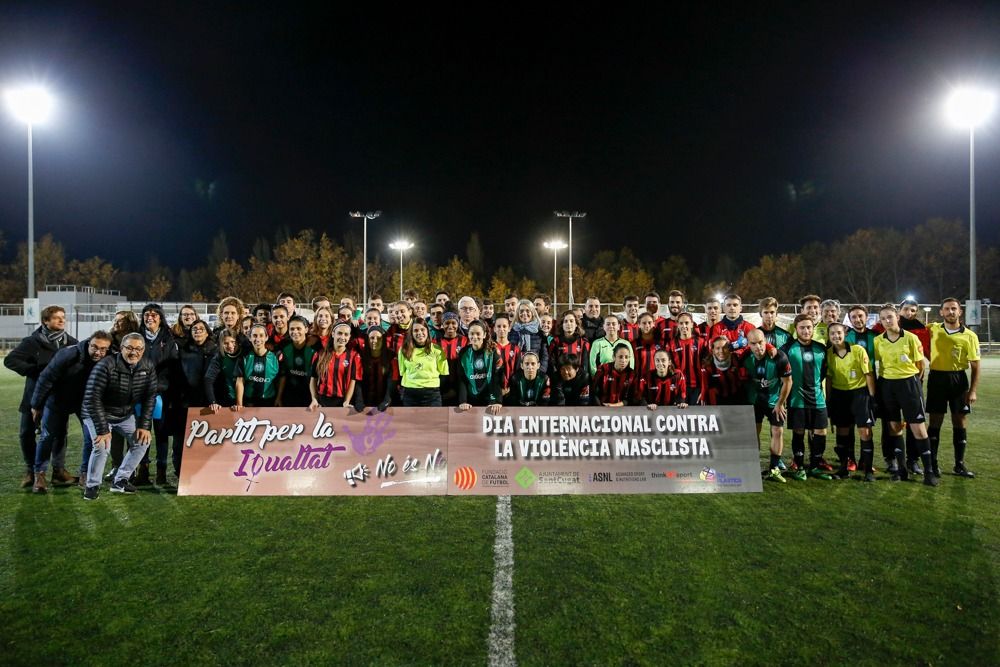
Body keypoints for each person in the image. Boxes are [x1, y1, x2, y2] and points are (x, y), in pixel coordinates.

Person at [5, 305, 78, 489]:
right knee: (26, 433)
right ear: (46, 321)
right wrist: (34, 370)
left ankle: (59, 472)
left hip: (59, 397)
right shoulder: (32, 341)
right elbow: (10, 360)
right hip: (33, 395)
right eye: (56, 318)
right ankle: (31, 472)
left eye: (63, 317)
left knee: (59, 434)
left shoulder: (71, 342)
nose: (61, 320)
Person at [30, 331, 112, 492]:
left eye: (103, 349)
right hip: (58, 399)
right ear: (89, 342)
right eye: (95, 347)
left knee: (91, 438)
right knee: (47, 436)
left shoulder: (108, 359)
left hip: (86, 403)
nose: (98, 352)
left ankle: (84, 474)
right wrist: (36, 405)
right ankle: (39, 475)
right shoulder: (67, 354)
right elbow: (46, 378)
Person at [81, 332, 157, 499]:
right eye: (129, 348)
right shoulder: (105, 365)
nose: (133, 352)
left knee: (143, 442)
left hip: (123, 414)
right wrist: (102, 429)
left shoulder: (148, 366)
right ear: (121, 348)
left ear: (143, 350)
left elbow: (150, 398)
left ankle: (120, 481)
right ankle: (92, 486)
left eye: (138, 349)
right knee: (102, 446)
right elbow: (92, 399)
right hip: (97, 412)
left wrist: (144, 427)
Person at [873, 304, 937, 486]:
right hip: (887, 385)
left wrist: (912, 382)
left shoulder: (911, 338)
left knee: (918, 428)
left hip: (908, 384)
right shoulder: (878, 341)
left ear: (897, 318)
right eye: (883, 318)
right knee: (895, 427)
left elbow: (920, 365)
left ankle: (928, 471)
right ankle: (901, 470)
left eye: (890, 317)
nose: (887, 321)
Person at [926, 298, 980, 478]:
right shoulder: (932, 329)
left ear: (960, 312)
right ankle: (933, 463)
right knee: (935, 421)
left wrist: (972, 390)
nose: (950, 312)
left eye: (954, 309)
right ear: (940, 312)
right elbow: (908, 328)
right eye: (947, 309)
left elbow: (975, 366)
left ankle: (959, 464)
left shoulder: (970, 336)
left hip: (958, 380)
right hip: (937, 378)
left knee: (960, 420)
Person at [780, 315, 831, 481]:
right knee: (799, 432)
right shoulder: (787, 348)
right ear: (796, 329)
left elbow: (823, 372)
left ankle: (815, 466)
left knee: (820, 431)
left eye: (809, 327)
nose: (806, 330)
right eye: (802, 327)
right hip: (796, 399)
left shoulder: (821, 348)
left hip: (818, 397)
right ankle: (800, 466)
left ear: (813, 328)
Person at [824, 322, 876, 481]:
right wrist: (829, 400)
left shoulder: (858, 350)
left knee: (864, 432)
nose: (836, 336)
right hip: (840, 396)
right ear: (829, 336)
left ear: (845, 333)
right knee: (842, 432)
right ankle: (843, 468)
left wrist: (872, 398)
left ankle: (867, 470)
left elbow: (868, 374)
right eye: (832, 333)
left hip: (859, 394)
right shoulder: (829, 353)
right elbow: (830, 379)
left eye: (839, 332)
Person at [136, 303, 178, 486]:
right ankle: (142, 470)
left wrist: (163, 387)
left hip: (161, 394)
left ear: (160, 318)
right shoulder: (137, 338)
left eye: (154, 314)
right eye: (146, 314)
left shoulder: (169, 339)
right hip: (140, 394)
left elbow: (172, 367)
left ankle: (161, 470)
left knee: (161, 433)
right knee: (140, 433)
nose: (150, 317)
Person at [743, 329, 792, 483]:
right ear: (748, 344)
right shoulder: (743, 357)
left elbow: (788, 382)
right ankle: (753, 465)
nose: (758, 346)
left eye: (761, 342)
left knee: (777, 431)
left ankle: (774, 468)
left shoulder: (779, 357)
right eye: (753, 343)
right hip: (754, 400)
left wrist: (780, 403)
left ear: (766, 341)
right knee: (753, 433)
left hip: (774, 402)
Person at [170, 319, 216, 477]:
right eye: (194, 329)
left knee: (206, 439)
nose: (198, 331)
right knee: (181, 439)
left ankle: (204, 472)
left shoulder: (215, 350)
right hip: (185, 402)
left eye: (201, 328)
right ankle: (180, 471)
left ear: (207, 332)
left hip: (207, 402)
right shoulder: (183, 350)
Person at [310, 322, 364, 411]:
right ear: (333, 334)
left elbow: (352, 381)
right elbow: (313, 379)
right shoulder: (320, 354)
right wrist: (314, 399)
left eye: (346, 334)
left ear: (349, 337)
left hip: (341, 402)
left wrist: (347, 401)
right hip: (322, 401)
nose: (342, 337)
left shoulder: (354, 356)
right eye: (339, 333)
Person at [397, 319, 449, 406]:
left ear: (427, 331)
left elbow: (444, 374)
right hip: (410, 394)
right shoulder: (404, 350)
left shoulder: (437, 350)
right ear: (411, 333)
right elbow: (402, 373)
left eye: (422, 329)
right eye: (416, 330)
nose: (419, 333)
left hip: (432, 395)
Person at [456, 321, 504, 415]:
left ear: (484, 334)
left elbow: (497, 377)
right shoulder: (463, 353)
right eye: (471, 333)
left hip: (490, 400)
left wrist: (497, 401)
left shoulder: (493, 351)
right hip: (470, 401)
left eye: (478, 334)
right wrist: (463, 401)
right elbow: (462, 379)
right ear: (468, 334)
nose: (474, 337)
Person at [276, 316, 318, 408]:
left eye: (298, 328)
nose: (295, 332)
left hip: (309, 396)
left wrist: (315, 398)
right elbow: (283, 375)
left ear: (306, 329)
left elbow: (316, 377)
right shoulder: (284, 347)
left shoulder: (314, 349)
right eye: (292, 329)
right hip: (289, 395)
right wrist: (279, 397)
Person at [234, 324, 280, 409]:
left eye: (261, 335)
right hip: (249, 401)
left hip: (269, 401)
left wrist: (278, 398)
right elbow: (240, 380)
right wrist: (239, 404)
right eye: (254, 336)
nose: (258, 339)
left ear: (266, 337)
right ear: (249, 338)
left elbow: (280, 380)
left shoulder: (275, 357)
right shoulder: (244, 357)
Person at [670, 312, 706, 405]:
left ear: (692, 324)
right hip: (679, 388)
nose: (684, 325)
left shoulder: (701, 343)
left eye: (686, 323)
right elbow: (670, 369)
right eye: (681, 323)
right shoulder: (671, 344)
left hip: (697, 387)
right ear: (677, 325)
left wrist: (704, 389)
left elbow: (706, 367)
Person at [702, 336, 748, 407]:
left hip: (738, 398)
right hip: (719, 400)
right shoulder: (708, 366)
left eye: (724, 347)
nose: (721, 351)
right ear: (712, 350)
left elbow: (750, 348)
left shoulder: (736, 357)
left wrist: (769, 347)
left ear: (729, 348)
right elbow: (706, 386)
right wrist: (703, 397)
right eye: (717, 348)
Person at [710, 293, 756, 362]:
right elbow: (714, 349)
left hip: (745, 366)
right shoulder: (716, 328)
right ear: (724, 308)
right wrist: (738, 345)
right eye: (728, 305)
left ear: (740, 308)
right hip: (724, 367)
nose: (732, 308)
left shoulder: (750, 327)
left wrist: (732, 348)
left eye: (735, 305)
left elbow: (754, 348)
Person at [205, 330, 241, 413]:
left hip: (246, 399)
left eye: (233, 342)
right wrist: (213, 402)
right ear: (221, 344)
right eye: (226, 343)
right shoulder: (219, 357)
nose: (230, 346)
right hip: (228, 399)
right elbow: (208, 379)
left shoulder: (245, 353)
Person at [548, 310, 591, 381]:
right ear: (562, 325)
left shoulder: (583, 343)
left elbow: (585, 366)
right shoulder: (555, 342)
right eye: (566, 321)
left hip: (578, 381)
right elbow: (552, 363)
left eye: (571, 321)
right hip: (559, 380)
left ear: (576, 324)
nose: (569, 324)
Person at [510, 300, 549, 375]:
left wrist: (541, 371)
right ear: (517, 313)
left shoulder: (539, 331)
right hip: (515, 374)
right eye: (521, 311)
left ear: (532, 313)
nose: (524, 313)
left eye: (528, 311)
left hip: (535, 373)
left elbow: (544, 355)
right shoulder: (512, 331)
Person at [360, 326, 393, 410]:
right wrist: (359, 400)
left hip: (386, 402)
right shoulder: (361, 356)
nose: (375, 341)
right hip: (365, 401)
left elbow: (391, 381)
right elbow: (358, 381)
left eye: (378, 338)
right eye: (372, 338)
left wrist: (387, 400)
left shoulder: (391, 356)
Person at [492, 314, 521, 397]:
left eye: (504, 326)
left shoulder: (516, 349)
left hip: (511, 391)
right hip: (493, 391)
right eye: (499, 326)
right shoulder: (490, 348)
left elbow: (518, 371)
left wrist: (511, 388)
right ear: (494, 329)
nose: (502, 329)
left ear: (509, 328)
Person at [633, 312, 665, 376]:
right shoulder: (634, 344)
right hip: (639, 381)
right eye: (644, 323)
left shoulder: (661, 343)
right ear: (639, 325)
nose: (647, 325)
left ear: (654, 324)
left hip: (656, 381)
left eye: (649, 322)